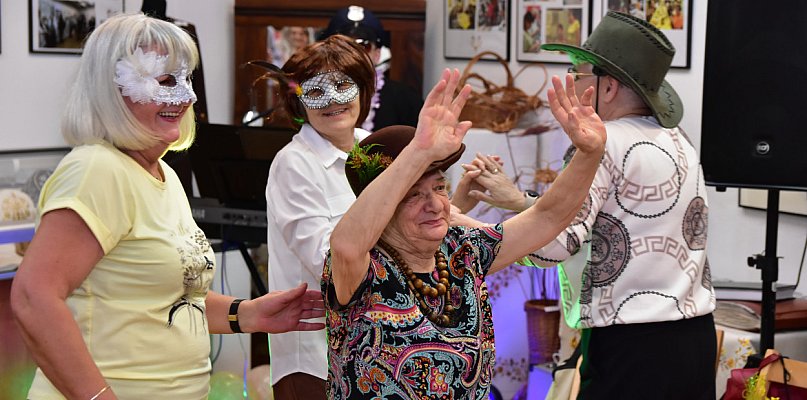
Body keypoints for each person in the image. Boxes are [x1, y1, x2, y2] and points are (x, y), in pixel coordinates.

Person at [9, 13, 325, 400]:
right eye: (164, 81)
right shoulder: (97, 170)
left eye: (186, 79)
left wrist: (247, 313)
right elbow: (34, 298)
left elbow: (170, 299)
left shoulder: (163, 174)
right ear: (111, 90)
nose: (187, 97)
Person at [461, 11, 715, 399]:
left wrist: (459, 226)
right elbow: (614, 218)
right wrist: (520, 201)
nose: (573, 82)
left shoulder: (599, 145)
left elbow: (551, 247)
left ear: (607, 87)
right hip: (693, 339)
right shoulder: (678, 140)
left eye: (577, 73)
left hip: (631, 350)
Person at [323, 67, 606, 399]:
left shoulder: (463, 252)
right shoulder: (364, 267)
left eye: (439, 187)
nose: (435, 205)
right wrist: (419, 152)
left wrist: (589, 154)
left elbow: (548, 217)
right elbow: (345, 244)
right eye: (413, 195)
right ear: (383, 205)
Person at [263, 34, 376, 400]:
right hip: (316, 360)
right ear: (299, 100)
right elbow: (328, 263)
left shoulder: (374, 147)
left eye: (343, 86)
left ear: (363, 88)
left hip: (374, 352)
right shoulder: (294, 164)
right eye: (316, 91)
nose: (333, 100)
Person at [319, 5, 423, 132]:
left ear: (377, 54)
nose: (354, 53)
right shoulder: (316, 96)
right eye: (344, 46)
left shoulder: (406, 100)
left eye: (364, 46)